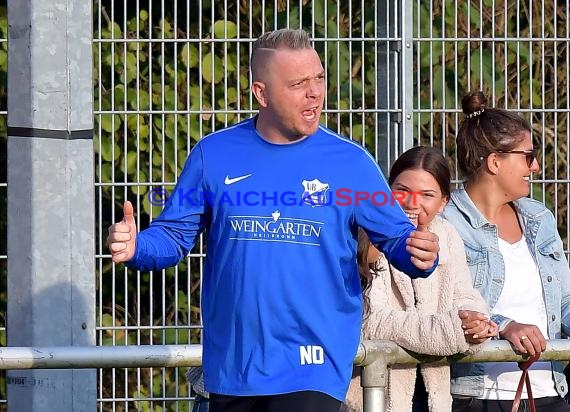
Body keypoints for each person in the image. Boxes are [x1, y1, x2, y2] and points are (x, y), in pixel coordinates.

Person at [107, 28, 440, 412]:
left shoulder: (350, 162)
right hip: (234, 368)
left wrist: (419, 253)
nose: (315, 92)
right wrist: (136, 246)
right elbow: (173, 237)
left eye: (319, 78)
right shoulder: (213, 154)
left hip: (313, 369)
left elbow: (398, 239)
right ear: (261, 93)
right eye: (299, 84)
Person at [442, 91, 570, 411]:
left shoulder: (540, 217)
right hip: (478, 395)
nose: (536, 166)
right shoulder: (446, 224)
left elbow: (564, 300)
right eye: (528, 155)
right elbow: (445, 304)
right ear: (495, 161)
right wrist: (505, 326)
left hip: (550, 391)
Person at [343, 147, 497, 412]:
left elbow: (465, 295)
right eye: (401, 190)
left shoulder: (447, 235)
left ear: (444, 201)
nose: (412, 203)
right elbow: (370, 322)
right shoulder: (365, 237)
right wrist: (452, 331)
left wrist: (476, 322)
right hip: (371, 395)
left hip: (434, 394)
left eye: (427, 194)